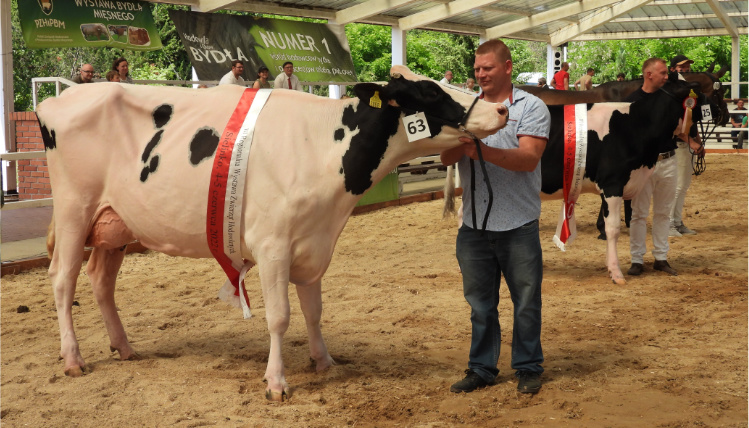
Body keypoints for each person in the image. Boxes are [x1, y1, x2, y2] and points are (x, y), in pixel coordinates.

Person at [440, 39, 550, 395]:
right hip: (473, 226)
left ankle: (528, 367)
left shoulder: (531, 107)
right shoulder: (465, 108)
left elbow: (529, 159)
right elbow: (444, 159)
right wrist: (462, 141)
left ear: (507, 67)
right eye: (476, 69)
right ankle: (482, 368)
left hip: (519, 223)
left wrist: (481, 150)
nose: (481, 74)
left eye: (487, 68)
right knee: (480, 305)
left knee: (526, 302)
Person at [626, 58, 703, 277]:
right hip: (642, 164)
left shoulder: (669, 100)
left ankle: (661, 257)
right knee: (639, 214)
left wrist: (692, 142)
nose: (666, 76)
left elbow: (678, 129)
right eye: (662, 73)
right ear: (648, 74)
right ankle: (637, 259)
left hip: (668, 161)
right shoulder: (631, 102)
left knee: (663, 213)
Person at [668, 54, 700, 237]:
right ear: (673, 69)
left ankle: (677, 222)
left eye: (688, 66)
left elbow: (692, 120)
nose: (686, 69)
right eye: (682, 67)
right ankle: (670, 224)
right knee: (678, 185)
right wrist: (691, 141)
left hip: (688, 143)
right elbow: (674, 122)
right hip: (678, 144)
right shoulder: (674, 91)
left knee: (684, 185)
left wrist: (698, 140)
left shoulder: (689, 91)